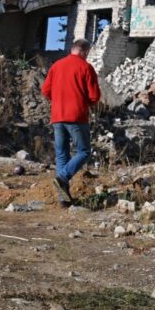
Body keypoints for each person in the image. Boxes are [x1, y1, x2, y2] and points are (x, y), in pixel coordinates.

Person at [41, 37, 101, 204]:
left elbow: (45, 90)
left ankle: (63, 199)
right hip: (76, 117)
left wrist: (59, 100)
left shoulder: (56, 65)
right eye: (87, 53)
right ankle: (63, 177)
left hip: (57, 116)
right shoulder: (86, 67)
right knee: (84, 151)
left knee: (62, 155)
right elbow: (94, 96)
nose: (87, 56)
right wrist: (84, 102)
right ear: (83, 51)